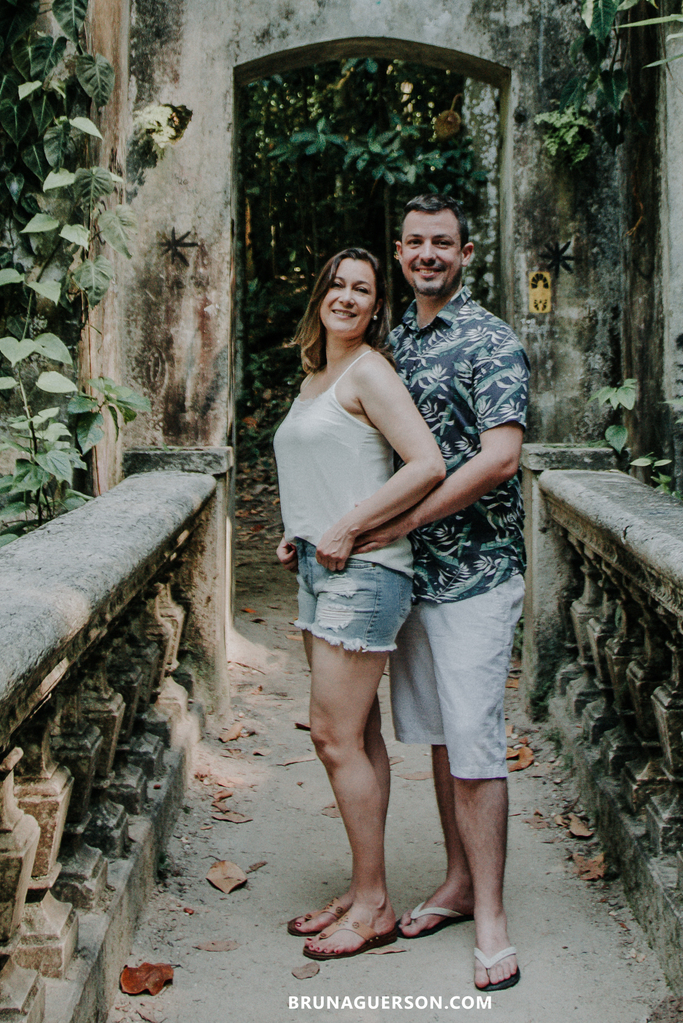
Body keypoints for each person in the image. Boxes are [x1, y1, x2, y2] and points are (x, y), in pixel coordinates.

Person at [352, 194, 530, 993]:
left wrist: (409, 520)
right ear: (399, 252)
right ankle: (457, 885)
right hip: (410, 578)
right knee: (436, 735)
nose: (429, 254)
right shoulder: (391, 345)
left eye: (443, 244)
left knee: (476, 742)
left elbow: (500, 458)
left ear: (465, 254)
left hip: (479, 576)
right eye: (416, 243)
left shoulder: (489, 340)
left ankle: (491, 919)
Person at [273, 246, 446, 963]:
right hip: (321, 568)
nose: (346, 296)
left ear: (377, 307)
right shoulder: (318, 376)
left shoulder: (371, 369)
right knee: (358, 736)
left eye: (362, 290)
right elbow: (331, 467)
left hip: (366, 570)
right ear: (321, 294)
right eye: (337, 284)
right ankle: (362, 889)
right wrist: (302, 531)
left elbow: (427, 463)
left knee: (332, 737)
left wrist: (347, 526)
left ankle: (373, 905)